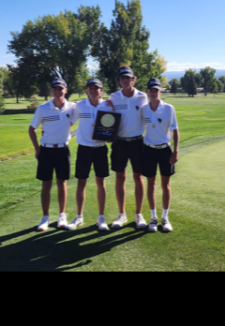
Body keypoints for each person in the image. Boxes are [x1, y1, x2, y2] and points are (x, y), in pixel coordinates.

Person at [28, 77, 76, 231]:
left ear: (65, 90)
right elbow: (31, 129)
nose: (58, 91)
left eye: (60, 88)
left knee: (62, 183)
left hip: (63, 150)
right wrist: (37, 149)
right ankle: (45, 217)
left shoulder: (72, 107)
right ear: (51, 91)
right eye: (55, 88)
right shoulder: (43, 108)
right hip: (46, 150)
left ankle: (62, 216)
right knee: (46, 184)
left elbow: (91, 105)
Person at [67, 77, 113, 231]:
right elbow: (69, 123)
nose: (94, 90)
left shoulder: (107, 106)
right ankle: (79, 217)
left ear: (101, 90)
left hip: (100, 149)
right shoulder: (79, 106)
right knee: (81, 183)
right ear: (87, 90)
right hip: (84, 149)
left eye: (97, 88)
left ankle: (101, 218)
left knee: (101, 183)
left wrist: (109, 137)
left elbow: (112, 126)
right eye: (91, 88)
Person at [108, 66, 148, 229]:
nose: (125, 80)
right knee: (120, 177)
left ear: (134, 79)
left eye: (128, 77)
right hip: (119, 143)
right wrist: (107, 133)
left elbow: (149, 116)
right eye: (122, 78)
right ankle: (122, 214)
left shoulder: (142, 97)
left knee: (138, 177)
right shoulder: (114, 97)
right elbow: (108, 117)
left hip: (138, 142)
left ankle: (138, 215)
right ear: (119, 81)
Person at [140, 77, 179, 232]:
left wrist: (176, 150)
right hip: (149, 150)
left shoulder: (169, 108)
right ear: (148, 92)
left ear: (160, 91)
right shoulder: (144, 109)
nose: (154, 92)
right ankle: (153, 217)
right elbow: (137, 126)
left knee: (165, 185)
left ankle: (165, 217)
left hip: (165, 150)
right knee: (151, 184)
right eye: (151, 90)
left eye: (157, 90)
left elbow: (175, 130)